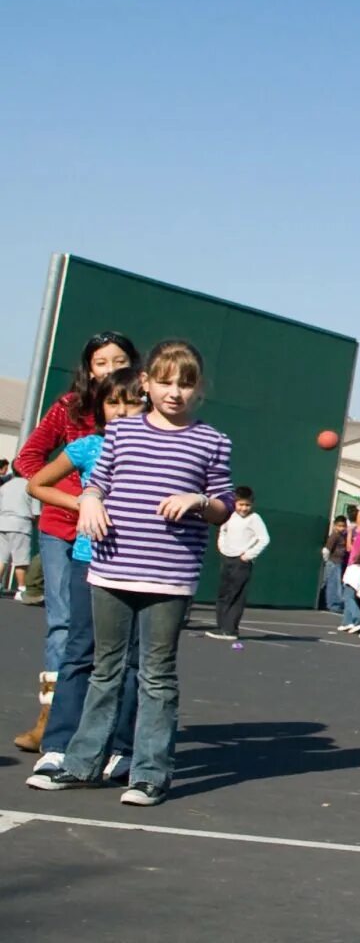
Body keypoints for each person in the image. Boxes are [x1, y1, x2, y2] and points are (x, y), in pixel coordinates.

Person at [29, 339, 235, 808]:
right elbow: (96, 481)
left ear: (199, 388)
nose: (174, 392)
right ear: (146, 384)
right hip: (110, 569)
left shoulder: (212, 441)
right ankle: (80, 764)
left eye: (185, 384)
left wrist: (199, 502)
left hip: (168, 577)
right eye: (164, 382)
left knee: (156, 676)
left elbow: (222, 506)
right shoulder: (122, 434)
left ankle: (149, 774)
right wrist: (91, 501)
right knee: (105, 670)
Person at [12, 330, 138, 753]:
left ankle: (102, 725)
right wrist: (77, 500)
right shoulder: (69, 409)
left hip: (113, 538)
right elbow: (27, 461)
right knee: (64, 625)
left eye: (119, 361)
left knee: (107, 635)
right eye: (101, 362)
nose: (110, 369)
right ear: (88, 369)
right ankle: (50, 721)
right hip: (62, 530)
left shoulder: (141, 413)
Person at [209, 486, 271, 641]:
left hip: (241, 562)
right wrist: (222, 548)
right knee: (224, 593)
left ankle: (230, 630)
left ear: (252, 504)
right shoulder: (229, 516)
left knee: (236, 595)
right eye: (241, 504)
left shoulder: (254, 518)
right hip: (227, 558)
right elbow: (222, 531)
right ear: (235, 503)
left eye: (247, 505)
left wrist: (248, 555)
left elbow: (264, 539)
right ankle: (221, 626)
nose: (244, 508)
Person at [1, 459, 33, 597]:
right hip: (21, 525)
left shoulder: (4, 486)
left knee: (2, 557)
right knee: (21, 559)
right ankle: (21, 589)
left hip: (3, 523)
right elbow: (36, 511)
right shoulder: (30, 486)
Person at [321, 514, 350, 615]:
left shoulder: (342, 536)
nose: (341, 528)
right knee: (333, 584)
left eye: (343, 526)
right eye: (339, 526)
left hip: (337, 562)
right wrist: (327, 560)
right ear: (334, 526)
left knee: (333, 583)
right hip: (333, 562)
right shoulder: (334, 536)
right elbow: (327, 549)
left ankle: (331, 603)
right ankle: (333, 605)